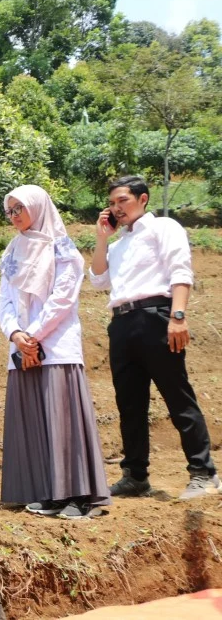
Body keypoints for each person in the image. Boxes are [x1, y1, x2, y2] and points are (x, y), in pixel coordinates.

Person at [88, 176, 218, 500]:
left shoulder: (164, 228)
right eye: (113, 203)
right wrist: (102, 238)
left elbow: (180, 271)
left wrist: (178, 316)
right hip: (121, 323)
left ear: (142, 199)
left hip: (157, 318)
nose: (116, 208)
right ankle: (135, 476)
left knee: (178, 397)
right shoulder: (117, 245)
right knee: (129, 404)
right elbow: (98, 280)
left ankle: (203, 474)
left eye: (123, 201)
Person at [0, 186, 110, 520]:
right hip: (23, 349)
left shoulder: (64, 250)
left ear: (39, 207)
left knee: (63, 423)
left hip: (56, 347)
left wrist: (32, 336)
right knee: (36, 422)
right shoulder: (12, 251)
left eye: (21, 208)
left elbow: (62, 300)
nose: (15, 215)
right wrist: (16, 334)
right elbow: (5, 302)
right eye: (10, 210)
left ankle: (77, 497)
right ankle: (48, 493)